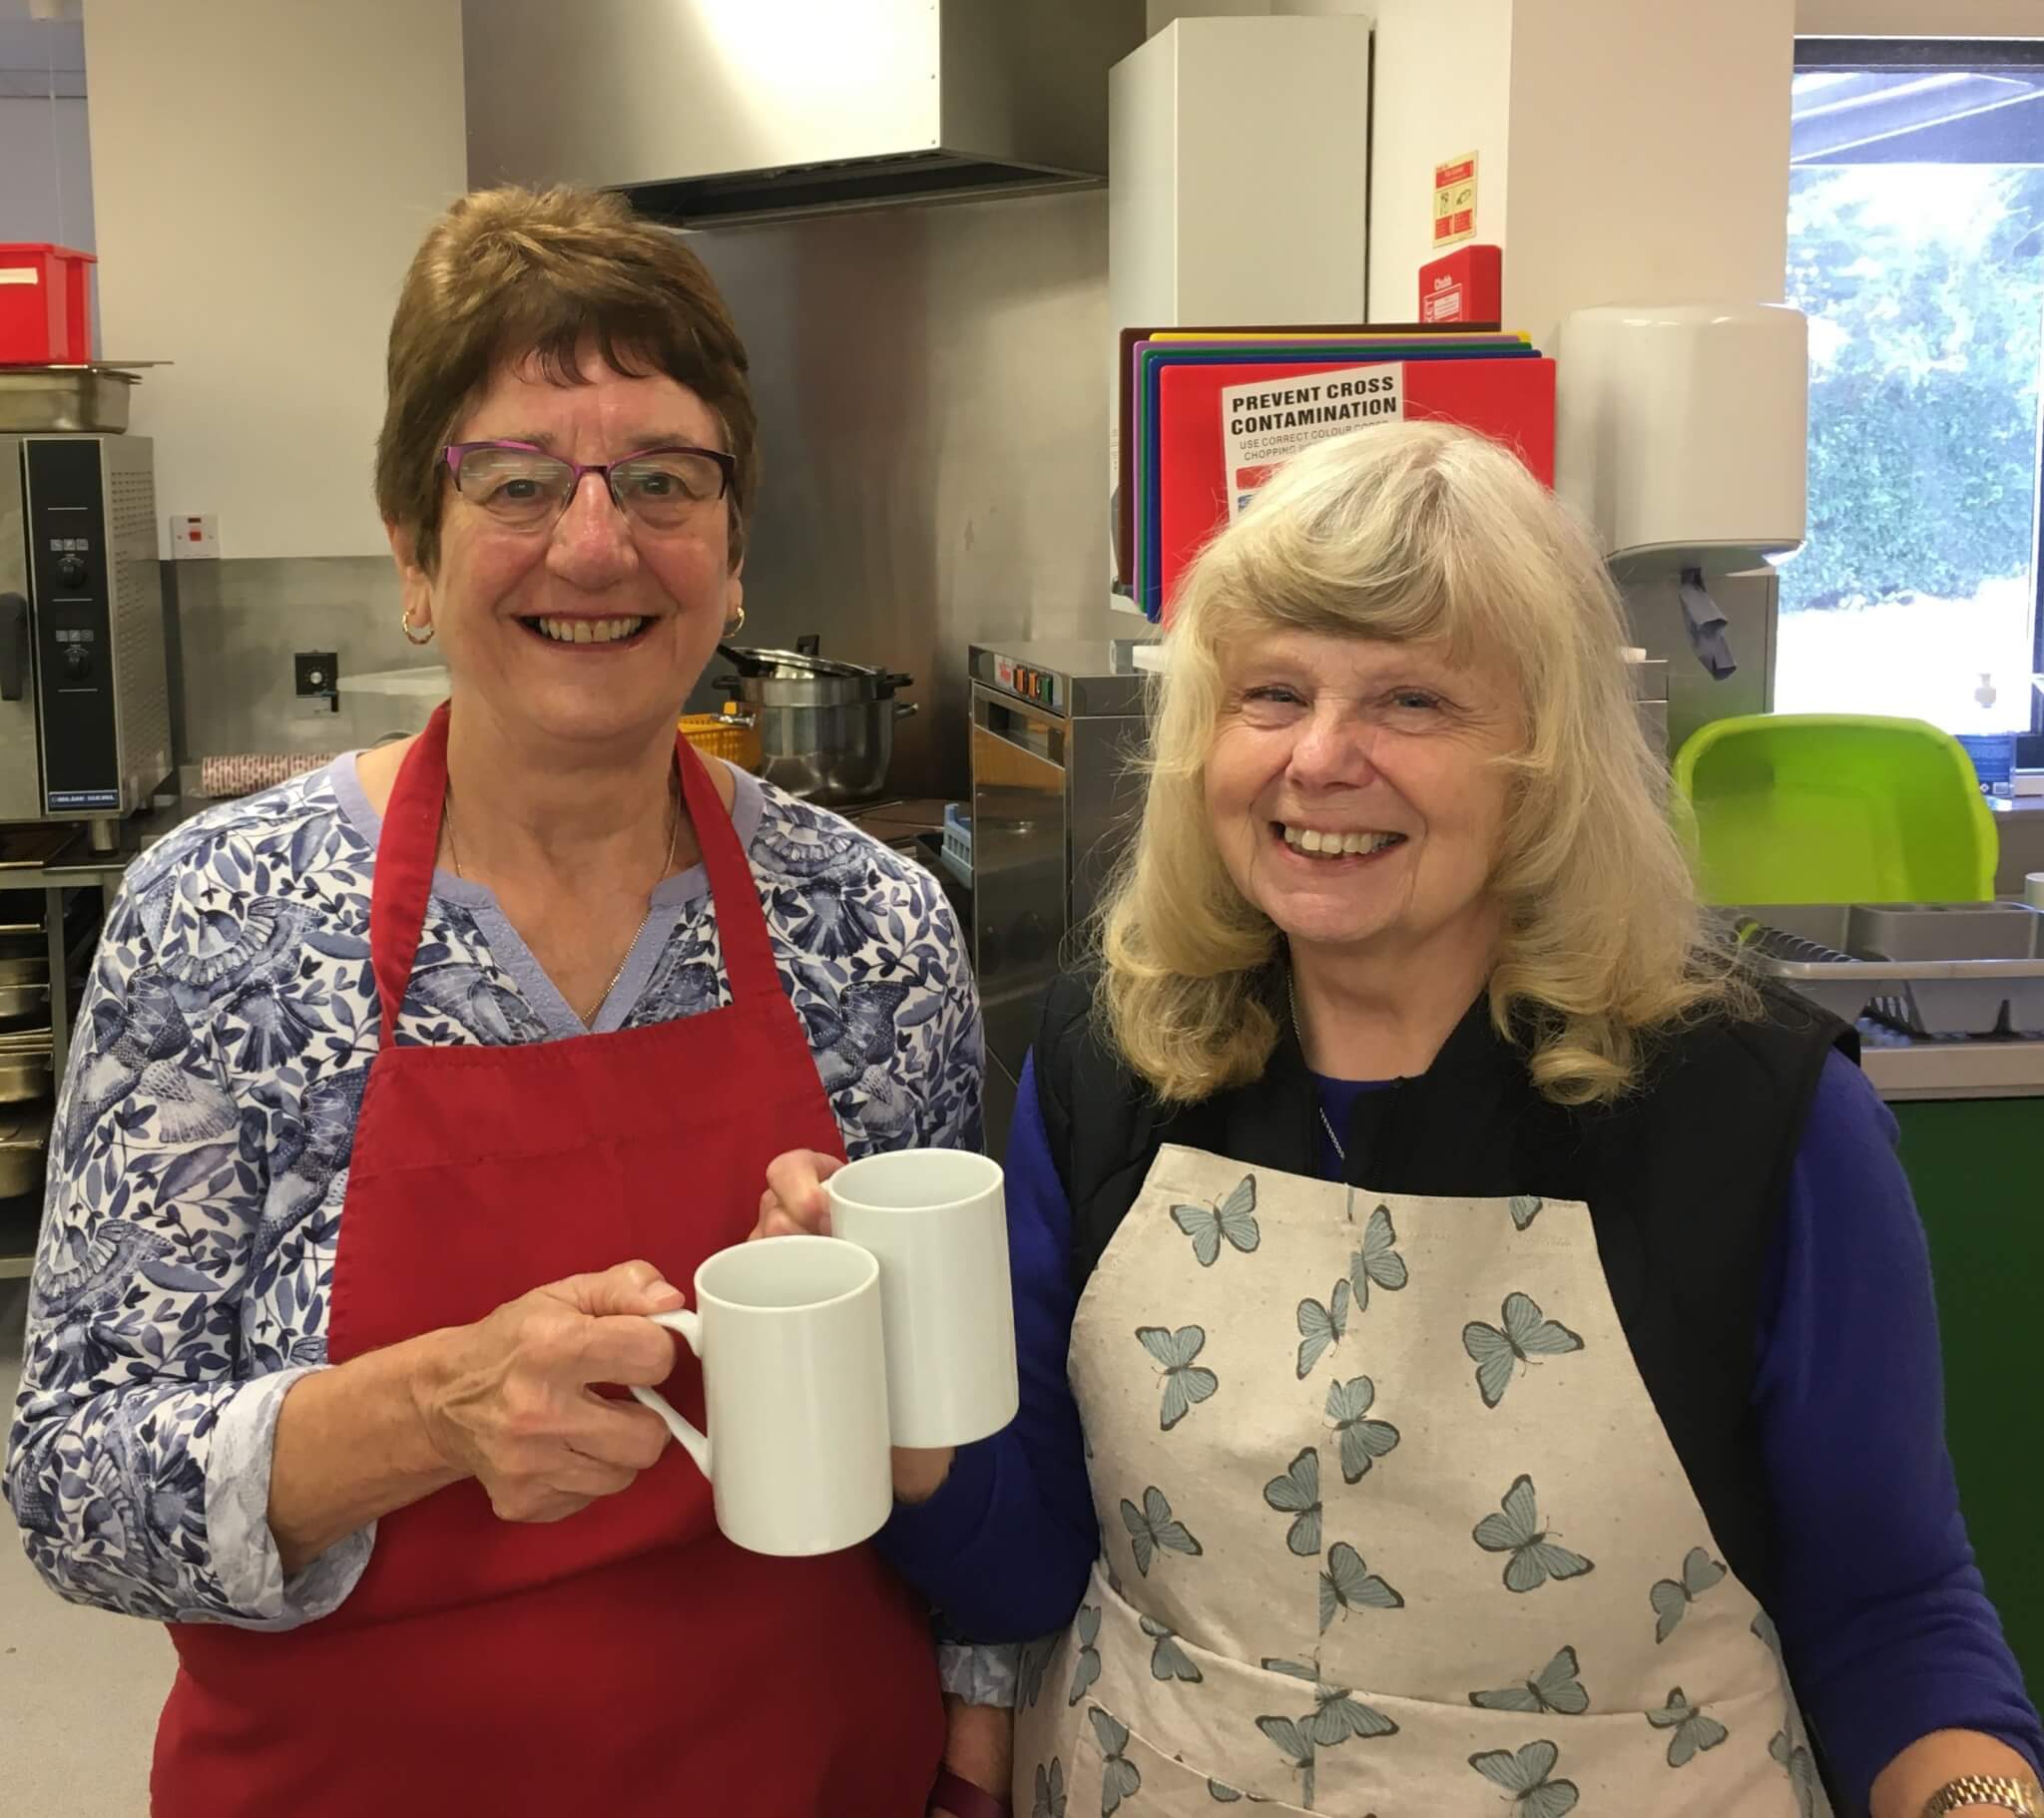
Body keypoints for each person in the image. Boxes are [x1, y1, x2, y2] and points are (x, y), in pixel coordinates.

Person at [761, 423, 2044, 1817]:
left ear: (1543, 758)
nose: (1322, 757)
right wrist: (885, 1390)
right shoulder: (1112, 1051)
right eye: (1273, 692)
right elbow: (1027, 1562)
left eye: (1413, 702)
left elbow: (1893, 1613)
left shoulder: (1758, 1115)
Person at [4, 185, 1006, 1816]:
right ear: (414, 543)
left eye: (666, 481)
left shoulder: (871, 926)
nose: (596, 544)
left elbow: (959, 1427)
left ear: (735, 553)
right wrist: (429, 1410)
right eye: (518, 479)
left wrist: (975, 1689)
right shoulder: (224, 919)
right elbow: (73, 1486)